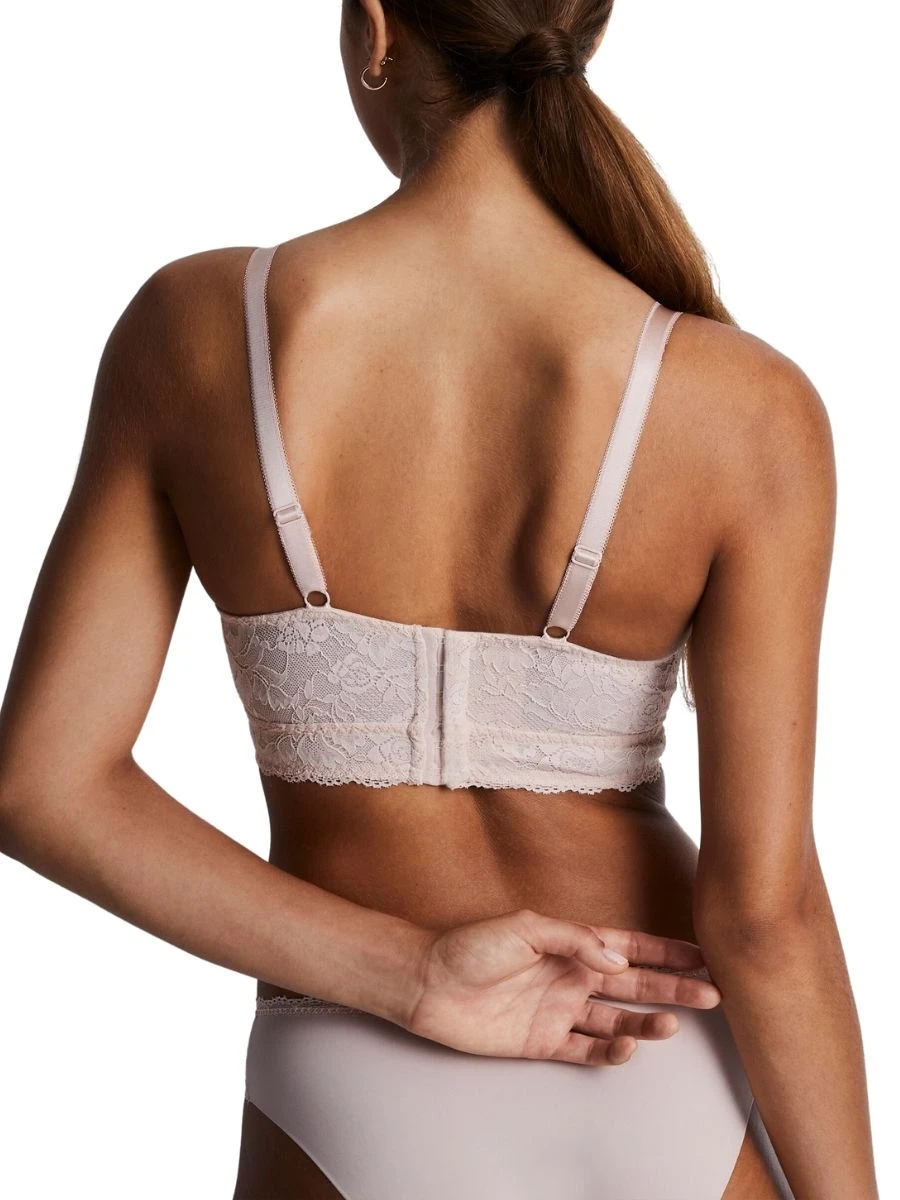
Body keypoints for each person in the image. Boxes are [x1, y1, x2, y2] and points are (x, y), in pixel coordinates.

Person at [0, 0, 879, 1197]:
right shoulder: (746, 405)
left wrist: (407, 972)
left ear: (376, 30)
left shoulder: (198, 332)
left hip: (348, 1062)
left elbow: (44, 786)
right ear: (588, 32)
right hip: (660, 1048)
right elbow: (765, 915)